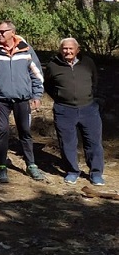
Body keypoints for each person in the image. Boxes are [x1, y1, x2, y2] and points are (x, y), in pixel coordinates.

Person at [0, 20, 45, 183]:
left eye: (2, 32)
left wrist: (37, 95)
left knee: (25, 132)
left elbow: (36, 74)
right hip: (0, 100)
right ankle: (2, 166)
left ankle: (31, 165)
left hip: (22, 99)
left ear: (12, 32)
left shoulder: (26, 49)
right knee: (2, 133)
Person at [44, 38, 105, 186]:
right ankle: (72, 171)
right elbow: (48, 85)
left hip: (88, 108)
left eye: (71, 49)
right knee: (67, 143)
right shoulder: (53, 65)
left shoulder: (88, 62)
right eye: (64, 49)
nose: (68, 51)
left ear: (77, 50)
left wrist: (89, 96)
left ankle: (96, 173)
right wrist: (60, 98)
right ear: (60, 50)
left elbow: (94, 80)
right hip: (64, 110)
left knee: (93, 142)